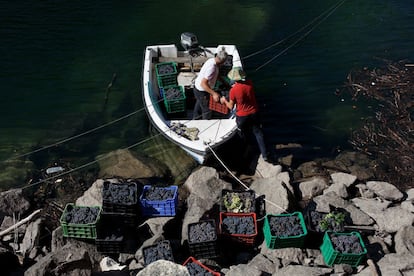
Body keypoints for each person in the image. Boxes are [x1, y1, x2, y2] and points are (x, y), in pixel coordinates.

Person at [220, 67, 268, 161]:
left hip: (242, 115)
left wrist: (224, 100)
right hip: (254, 112)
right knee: (258, 132)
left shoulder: (233, 90)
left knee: (243, 134)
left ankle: (246, 153)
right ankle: (265, 154)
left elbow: (230, 106)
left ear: (233, 79)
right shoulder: (250, 83)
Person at [193, 48, 228, 119]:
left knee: (199, 103)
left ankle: (195, 118)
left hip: (197, 88)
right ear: (222, 61)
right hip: (201, 91)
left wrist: (224, 82)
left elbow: (216, 75)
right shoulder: (212, 68)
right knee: (206, 110)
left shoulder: (212, 61)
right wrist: (214, 93)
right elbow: (203, 84)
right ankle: (206, 124)